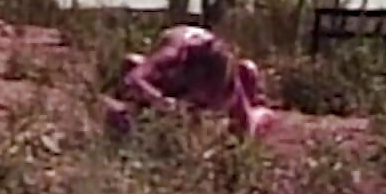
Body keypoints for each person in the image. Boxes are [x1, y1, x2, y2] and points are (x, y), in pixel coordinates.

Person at [103, 24, 275, 137]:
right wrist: (160, 100)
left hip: (210, 72)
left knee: (248, 71)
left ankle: (256, 101)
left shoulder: (227, 74)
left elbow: (247, 126)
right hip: (172, 78)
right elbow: (134, 78)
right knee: (130, 64)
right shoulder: (172, 55)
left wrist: (255, 119)